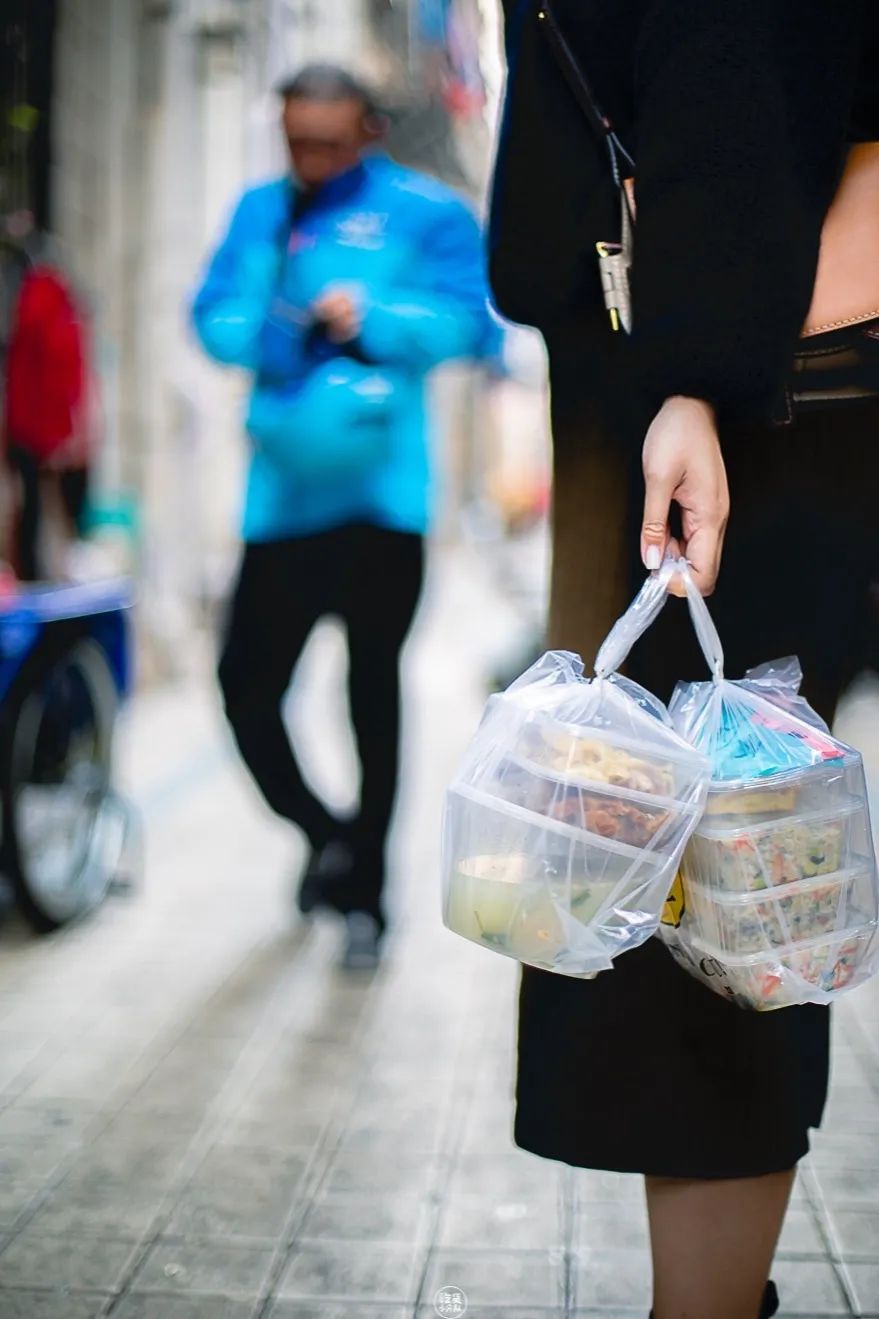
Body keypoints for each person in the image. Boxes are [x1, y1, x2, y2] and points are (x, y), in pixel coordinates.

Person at [489, 3, 879, 1318]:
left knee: (719, 879)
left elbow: (739, 84)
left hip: (731, 405)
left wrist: (697, 375)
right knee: (677, 872)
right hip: (685, 384)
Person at [192, 65, 493, 969]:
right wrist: (282, 325)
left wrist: (373, 316)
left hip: (382, 506)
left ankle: (366, 894)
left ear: (368, 130)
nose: (311, 159)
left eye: (328, 142)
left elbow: (471, 324)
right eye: (296, 142)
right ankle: (330, 836)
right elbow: (212, 319)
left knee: (371, 695)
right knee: (245, 689)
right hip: (279, 504)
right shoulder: (258, 211)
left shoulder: (427, 212)